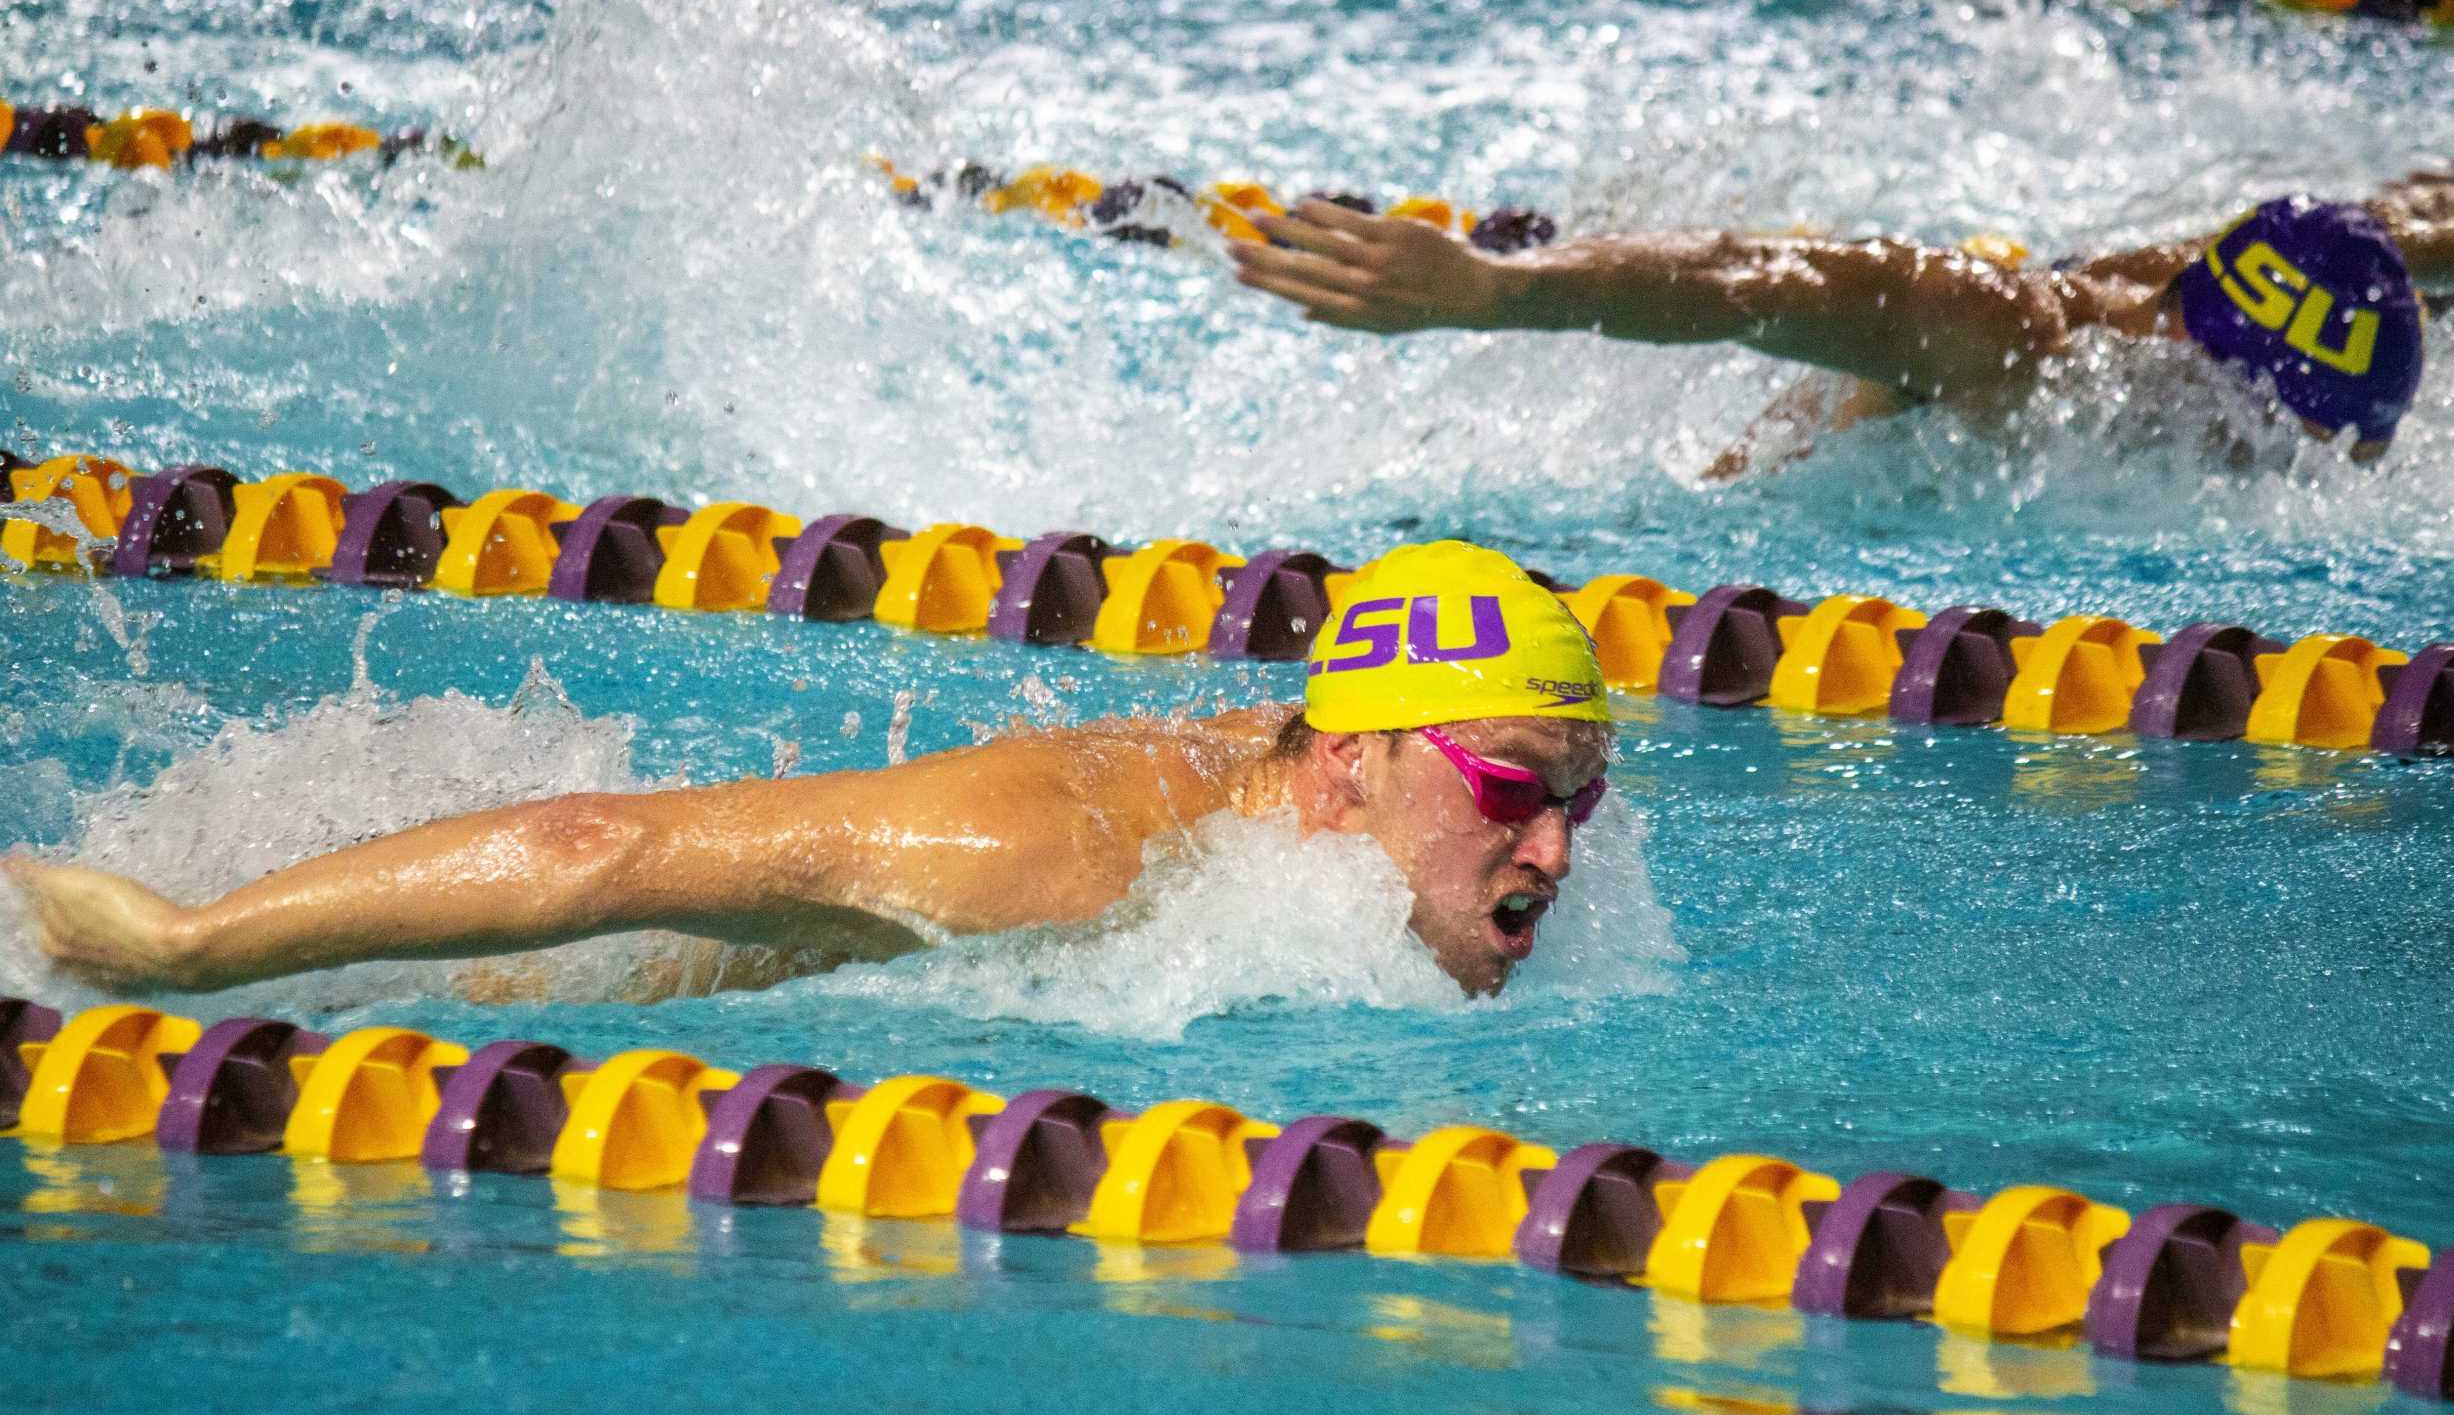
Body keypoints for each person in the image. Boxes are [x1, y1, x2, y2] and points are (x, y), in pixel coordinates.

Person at [5, 543, 1613, 1004]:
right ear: (1346, 764)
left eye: (1581, 798)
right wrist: (187, 946)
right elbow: (594, 850)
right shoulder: (1065, 858)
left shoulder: (1285, 808)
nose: (1555, 846)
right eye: (1512, 785)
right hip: (493, 983)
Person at [1226, 159, 2454, 474]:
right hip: (1773, 505)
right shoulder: (2024, 345)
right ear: (2215, 368)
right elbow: (1767, 279)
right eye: (2299, 438)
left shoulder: (2272, 280)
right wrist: (1493, 291)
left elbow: (2434, 211)